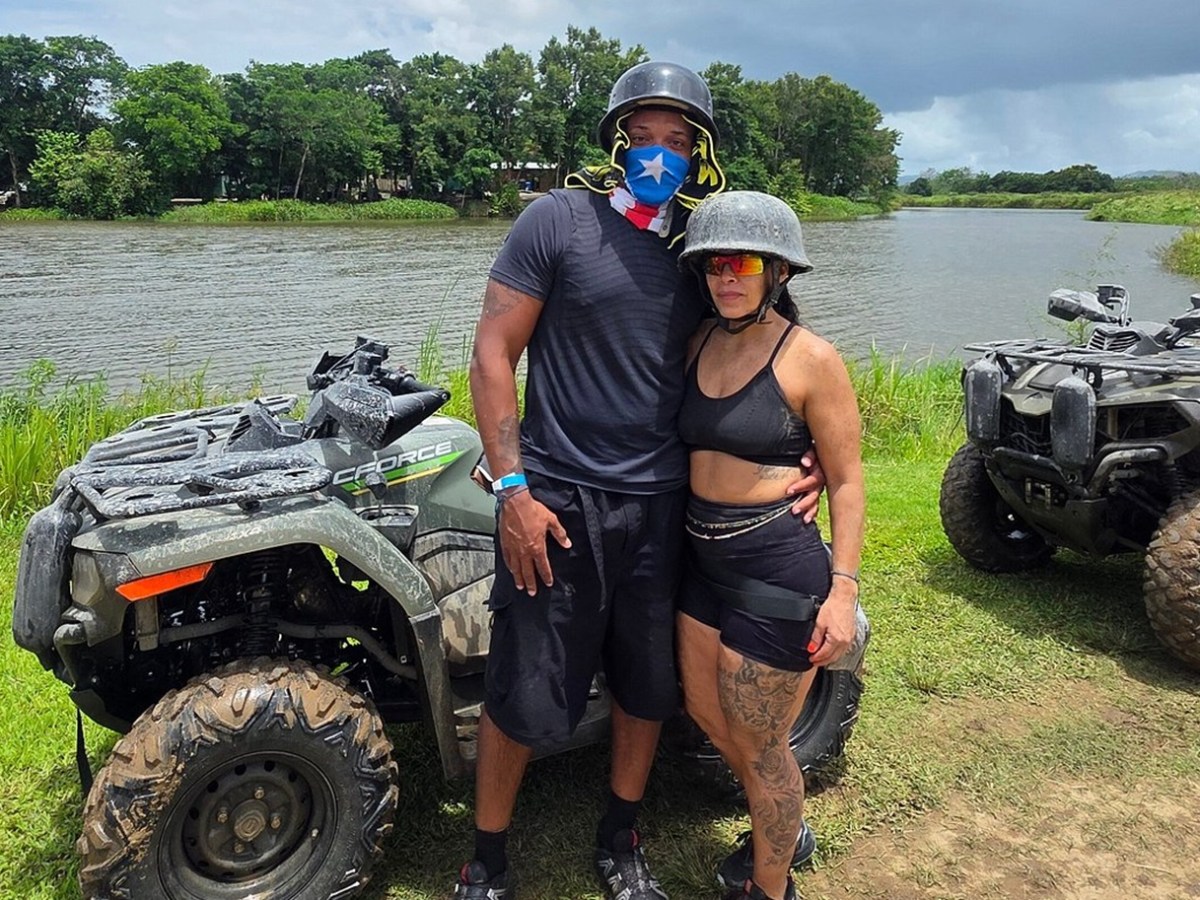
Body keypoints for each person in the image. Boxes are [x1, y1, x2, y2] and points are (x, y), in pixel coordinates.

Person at [456, 63, 823, 900]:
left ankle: (621, 838)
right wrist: (512, 490)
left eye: (679, 141)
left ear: (702, 157)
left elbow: (770, 346)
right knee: (524, 684)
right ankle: (487, 858)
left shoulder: (702, 250)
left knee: (647, 684)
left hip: (664, 508)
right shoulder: (555, 221)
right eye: (644, 137)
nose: (660, 154)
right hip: (556, 500)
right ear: (616, 143)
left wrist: (806, 455)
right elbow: (491, 353)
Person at [675, 191, 866, 900]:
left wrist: (842, 591)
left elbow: (845, 483)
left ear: (778, 272)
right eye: (715, 263)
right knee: (704, 712)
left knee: (760, 744)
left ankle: (770, 886)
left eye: (744, 262)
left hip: (775, 565)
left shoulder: (810, 359)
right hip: (703, 561)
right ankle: (780, 821)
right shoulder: (698, 340)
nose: (727, 276)